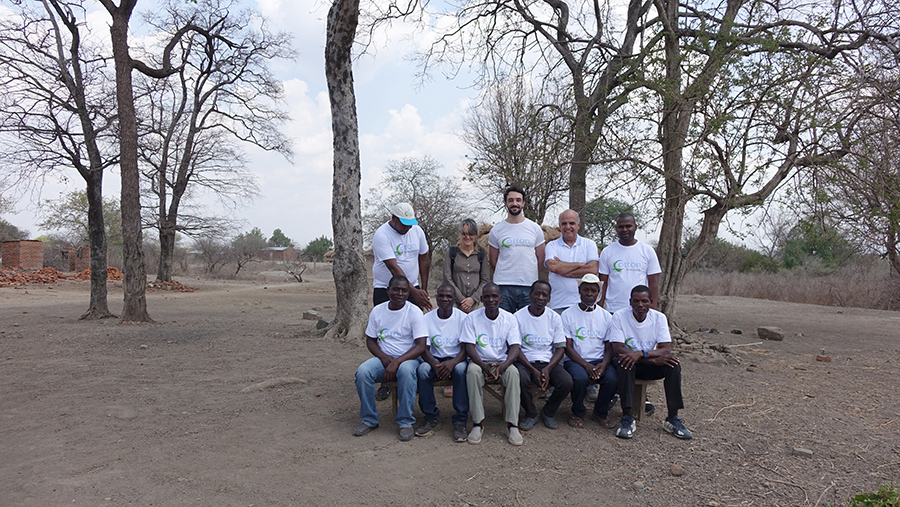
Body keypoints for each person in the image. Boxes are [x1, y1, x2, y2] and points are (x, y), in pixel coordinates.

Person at [609, 285, 692, 440]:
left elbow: (665, 349)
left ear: (651, 302)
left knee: (673, 365)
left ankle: (672, 418)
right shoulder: (619, 316)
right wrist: (651, 358)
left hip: (648, 362)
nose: (640, 305)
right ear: (630, 302)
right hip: (631, 362)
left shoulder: (659, 317)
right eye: (636, 301)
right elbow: (618, 348)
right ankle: (627, 417)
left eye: (645, 301)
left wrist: (641, 354)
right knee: (624, 362)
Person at [353, 275, 428, 441]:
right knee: (363, 372)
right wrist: (383, 356)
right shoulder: (378, 311)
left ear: (409, 293)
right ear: (388, 290)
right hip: (384, 358)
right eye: (396, 289)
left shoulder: (414, 312)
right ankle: (369, 419)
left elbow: (421, 345)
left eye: (404, 290)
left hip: (408, 358)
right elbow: (371, 341)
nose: (400, 293)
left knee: (407, 372)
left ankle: (405, 421)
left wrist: (397, 361)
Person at [461, 283, 524, 446]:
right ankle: (477, 423)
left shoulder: (509, 318)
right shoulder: (472, 318)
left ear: (500, 298)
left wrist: (503, 366)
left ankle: (512, 425)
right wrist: (484, 366)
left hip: (502, 362)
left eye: (494, 296)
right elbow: (469, 347)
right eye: (487, 296)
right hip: (479, 362)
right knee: (472, 372)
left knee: (513, 374)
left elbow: (515, 347)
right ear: (481, 299)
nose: (491, 299)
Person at [514, 280, 573, 431]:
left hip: (548, 361)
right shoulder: (518, 317)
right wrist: (532, 369)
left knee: (566, 381)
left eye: (544, 295)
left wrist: (547, 369)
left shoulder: (554, 317)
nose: (540, 297)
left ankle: (548, 412)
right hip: (524, 361)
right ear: (530, 295)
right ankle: (530, 413)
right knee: (520, 378)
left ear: (549, 299)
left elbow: (560, 347)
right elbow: (516, 348)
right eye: (537, 293)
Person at [561, 274, 617, 428]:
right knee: (579, 378)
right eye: (586, 290)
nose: (589, 294)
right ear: (579, 291)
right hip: (576, 360)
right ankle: (578, 412)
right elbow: (568, 347)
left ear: (598, 293)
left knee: (612, 378)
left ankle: (600, 412)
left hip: (600, 360)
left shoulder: (606, 316)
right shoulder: (567, 314)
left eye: (593, 290)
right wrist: (586, 365)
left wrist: (604, 365)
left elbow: (609, 346)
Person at [415, 283, 469, 442]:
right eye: (441, 296)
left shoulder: (463, 318)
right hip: (434, 360)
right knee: (423, 370)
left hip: (456, 359)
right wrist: (434, 365)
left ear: (454, 299)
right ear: (436, 298)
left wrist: (452, 363)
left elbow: (466, 348)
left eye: (449, 297)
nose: (445, 299)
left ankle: (460, 419)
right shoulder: (426, 319)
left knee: (460, 370)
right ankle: (430, 416)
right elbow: (423, 348)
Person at [488, 185, 546, 314]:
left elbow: (540, 259)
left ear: (523, 203)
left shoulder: (535, 229)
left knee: (527, 325)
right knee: (503, 325)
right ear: (505, 203)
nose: (515, 203)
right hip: (503, 286)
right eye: (511, 200)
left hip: (529, 286)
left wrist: (528, 274)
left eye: (518, 200)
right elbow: (494, 260)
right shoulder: (496, 230)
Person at [372, 202, 432, 312]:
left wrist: (423, 289)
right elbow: (393, 267)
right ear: (394, 218)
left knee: (413, 323)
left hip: (413, 286)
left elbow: (423, 259)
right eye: (404, 224)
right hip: (386, 289)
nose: (408, 227)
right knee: (386, 325)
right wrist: (414, 292)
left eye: (410, 223)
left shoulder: (417, 231)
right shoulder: (382, 234)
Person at [598, 212, 661, 313]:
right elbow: (603, 283)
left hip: (639, 309)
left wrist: (652, 309)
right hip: (613, 309)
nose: (624, 230)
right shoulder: (607, 252)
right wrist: (599, 309)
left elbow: (653, 283)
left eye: (628, 226)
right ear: (616, 228)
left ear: (635, 227)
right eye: (620, 227)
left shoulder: (647, 251)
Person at [545, 209, 600, 313]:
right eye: (564, 223)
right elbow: (553, 267)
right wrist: (580, 265)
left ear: (578, 225)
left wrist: (562, 267)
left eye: (572, 223)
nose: (568, 227)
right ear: (560, 226)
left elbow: (592, 269)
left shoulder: (589, 244)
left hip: (583, 305)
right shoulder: (551, 245)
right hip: (558, 305)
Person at [442, 218, 490, 313]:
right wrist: (462, 300)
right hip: (455, 303)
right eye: (464, 234)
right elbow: (447, 278)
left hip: (476, 304)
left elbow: (485, 279)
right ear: (460, 233)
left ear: (475, 234)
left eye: (471, 234)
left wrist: (472, 299)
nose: (467, 237)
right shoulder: (452, 252)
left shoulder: (481, 254)